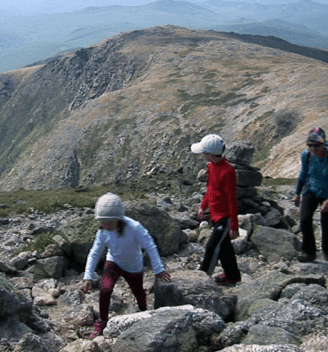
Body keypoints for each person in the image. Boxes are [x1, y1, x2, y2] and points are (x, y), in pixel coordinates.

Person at [82, 192, 171, 338]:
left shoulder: (134, 227)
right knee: (105, 289)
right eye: (103, 222)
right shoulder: (103, 232)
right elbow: (94, 253)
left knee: (138, 292)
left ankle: (144, 313)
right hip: (114, 262)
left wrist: (158, 269)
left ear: (119, 219)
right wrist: (88, 276)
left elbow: (150, 245)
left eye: (110, 222)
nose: (106, 225)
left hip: (134, 266)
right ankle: (102, 322)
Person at [190, 133, 242, 286]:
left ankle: (202, 278)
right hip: (215, 215)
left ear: (210, 154)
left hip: (224, 218)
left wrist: (234, 226)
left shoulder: (228, 171)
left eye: (204, 153)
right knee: (225, 247)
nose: (202, 156)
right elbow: (211, 189)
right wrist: (203, 206)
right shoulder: (211, 166)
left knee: (212, 247)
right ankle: (233, 276)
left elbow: (232, 200)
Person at [294, 127, 328, 262]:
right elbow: (303, 174)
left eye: (316, 145)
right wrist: (297, 193)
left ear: (323, 143)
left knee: (326, 222)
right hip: (311, 190)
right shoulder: (306, 155)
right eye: (310, 145)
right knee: (305, 219)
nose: (313, 148)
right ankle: (309, 252)